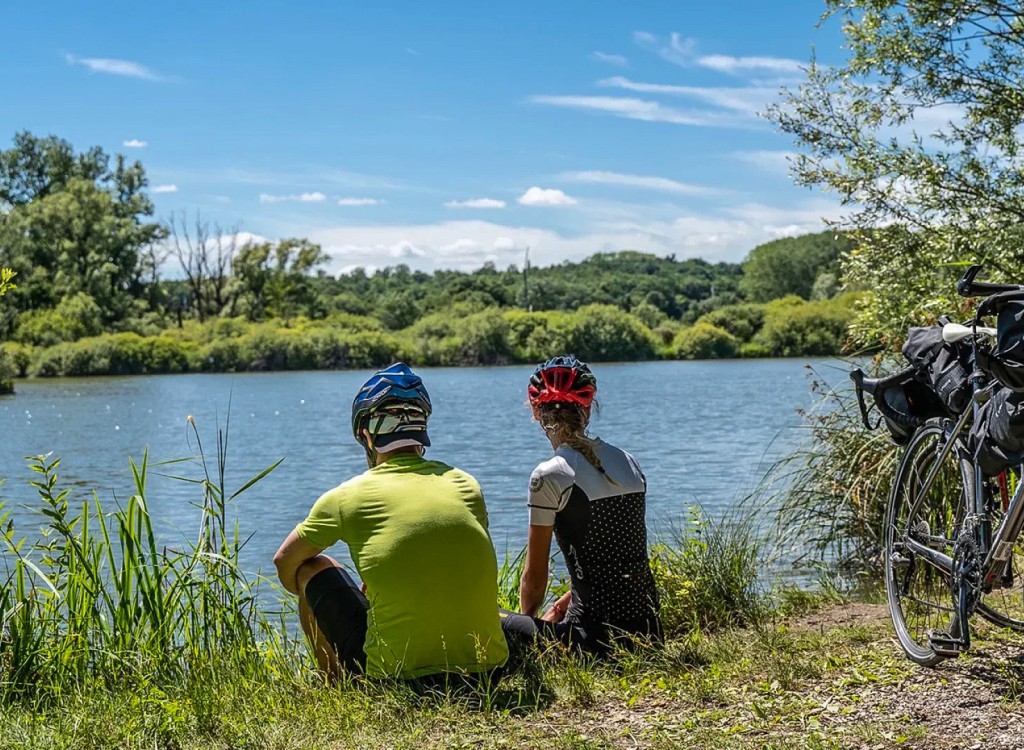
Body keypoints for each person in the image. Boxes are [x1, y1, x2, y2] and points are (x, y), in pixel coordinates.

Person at [273, 363, 509, 684]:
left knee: (310, 568)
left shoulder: (346, 496)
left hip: (398, 678)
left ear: (367, 436)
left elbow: (285, 561)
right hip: (486, 670)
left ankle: (335, 685)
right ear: (421, 429)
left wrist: (309, 596)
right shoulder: (465, 484)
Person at [501, 355, 662, 657]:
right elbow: (617, 561)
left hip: (592, 642)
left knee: (492, 618)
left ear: (536, 412)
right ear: (587, 409)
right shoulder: (629, 461)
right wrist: (560, 606)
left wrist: (530, 624)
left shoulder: (549, 474)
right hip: (650, 634)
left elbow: (534, 578)